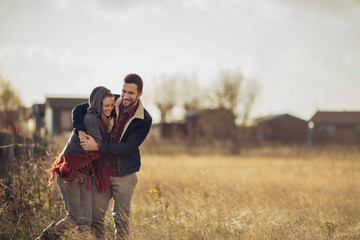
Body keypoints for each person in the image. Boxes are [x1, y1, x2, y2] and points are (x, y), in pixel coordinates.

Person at [72, 73, 152, 239]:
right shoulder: (110, 101)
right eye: (123, 91)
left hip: (125, 174)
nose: (125, 96)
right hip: (103, 172)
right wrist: (80, 133)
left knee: (121, 218)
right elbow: (78, 110)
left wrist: (98, 146)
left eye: (130, 93)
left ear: (140, 94)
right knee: (96, 216)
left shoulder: (144, 119)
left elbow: (128, 147)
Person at [37, 86, 114, 240]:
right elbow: (97, 148)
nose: (110, 109)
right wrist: (109, 131)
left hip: (83, 173)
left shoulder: (103, 115)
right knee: (74, 219)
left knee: (85, 223)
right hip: (70, 172)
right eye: (106, 106)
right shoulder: (91, 119)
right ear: (98, 105)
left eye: (112, 105)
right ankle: (44, 238)